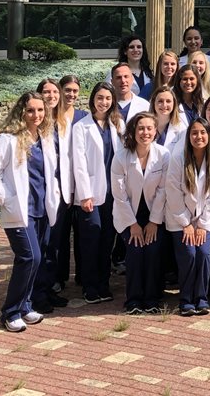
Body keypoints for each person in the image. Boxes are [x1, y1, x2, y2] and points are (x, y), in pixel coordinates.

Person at [0, 91, 61, 332]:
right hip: (20, 210)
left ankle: (26, 306)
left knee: (36, 260)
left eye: (40, 110)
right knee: (30, 257)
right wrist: (7, 200)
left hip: (42, 209)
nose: (36, 115)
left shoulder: (45, 137)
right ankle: (10, 312)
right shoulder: (9, 139)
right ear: (21, 112)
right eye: (30, 110)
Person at [165, 117, 210, 316]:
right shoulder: (178, 158)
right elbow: (172, 193)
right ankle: (186, 299)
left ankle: (201, 298)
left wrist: (202, 224)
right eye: (194, 133)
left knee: (204, 255)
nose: (199, 136)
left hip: (203, 220)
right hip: (179, 220)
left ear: (209, 135)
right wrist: (186, 223)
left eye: (203, 132)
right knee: (189, 254)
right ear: (188, 136)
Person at [111, 112, 168, 315]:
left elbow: (163, 191)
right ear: (133, 131)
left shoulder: (164, 155)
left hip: (155, 216)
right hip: (129, 217)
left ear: (155, 131)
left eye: (149, 128)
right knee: (135, 251)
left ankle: (152, 299)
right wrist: (132, 225)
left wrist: (153, 222)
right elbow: (119, 195)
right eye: (140, 128)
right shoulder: (121, 157)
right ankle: (133, 300)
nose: (145, 132)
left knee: (153, 251)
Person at [71, 82, 123, 304]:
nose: (104, 102)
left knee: (107, 240)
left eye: (108, 98)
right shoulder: (80, 127)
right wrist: (84, 195)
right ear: (93, 99)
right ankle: (90, 286)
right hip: (91, 193)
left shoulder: (116, 124)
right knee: (91, 237)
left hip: (112, 193)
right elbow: (79, 163)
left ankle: (103, 284)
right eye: (100, 98)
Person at [42, 74, 89, 299]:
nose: (70, 94)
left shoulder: (83, 117)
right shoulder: (51, 117)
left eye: (74, 91)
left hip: (81, 186)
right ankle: (57, 278)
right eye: (67, 90)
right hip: (58, 186)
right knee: (58, 235)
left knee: (82, 233)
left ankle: (82, 274)